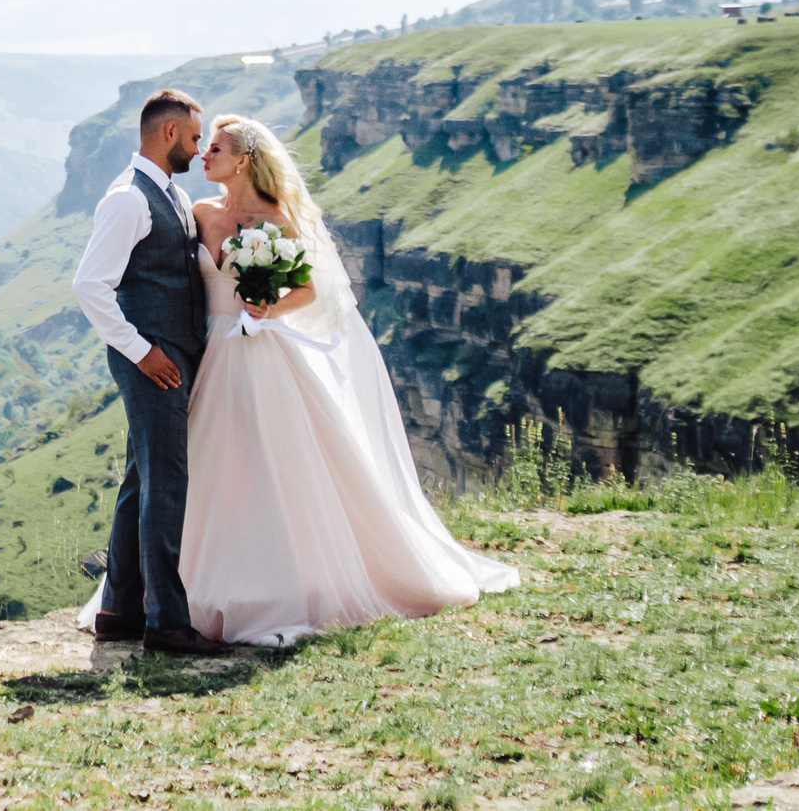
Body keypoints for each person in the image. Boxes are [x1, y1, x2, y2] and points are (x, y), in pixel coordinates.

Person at [175, 113, 517, 645]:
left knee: (271, 464)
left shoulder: (275, 218)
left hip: (259, 351)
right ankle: (194, 583)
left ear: (243, 160)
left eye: (215, 148)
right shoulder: (199, 213)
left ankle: (278, 583)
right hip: (210, 351)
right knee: (212, 464)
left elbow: (308, 291)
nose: (204, 155)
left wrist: (269, 307)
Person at [68, 87, 220, 654]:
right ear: (169, 132)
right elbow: (89, 285)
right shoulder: (128, 199)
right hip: (152, 360)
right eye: (195, 137)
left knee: (140, 478)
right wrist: (141, 351)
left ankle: (118, 611)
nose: (199, 149)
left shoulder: (173, 193)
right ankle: (167, 624)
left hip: (171, 353)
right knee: (165, 481)